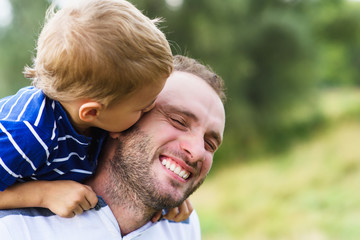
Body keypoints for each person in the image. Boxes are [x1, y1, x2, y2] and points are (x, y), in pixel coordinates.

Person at [0, 0, 193, 221]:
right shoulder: (28, 134)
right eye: (142, 106)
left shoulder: (99, 116)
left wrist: (164, 187)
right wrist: (43, 195)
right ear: (91, 112)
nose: (151, 107)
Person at [0, 55, 226, 239]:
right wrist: (40, 194)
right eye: (178, 121)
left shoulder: (182, 227)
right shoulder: (14, 225)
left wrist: (168, 183)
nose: (196, 152)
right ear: (121, 120)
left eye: (210, 143)